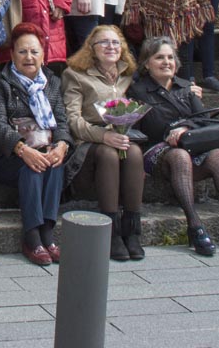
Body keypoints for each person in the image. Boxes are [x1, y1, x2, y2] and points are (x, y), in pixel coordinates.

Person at [130, 37, 219, 256]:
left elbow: (203, 120)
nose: (166, 62)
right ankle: (195, 225)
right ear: (147, 63)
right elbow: (136, 130)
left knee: (218, 154)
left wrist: (185, 128)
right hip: (157, 151)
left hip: (192, 147)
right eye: (159, 57)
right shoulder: (138, 91)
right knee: (179, 155)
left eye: (170, 57)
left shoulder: (186, 87)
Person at [0, 23, 72, 266]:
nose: (29, 57)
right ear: (12, 55)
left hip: (44, 147)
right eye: (22, 51)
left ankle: (48, 233)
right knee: (33, 167)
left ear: (43, 54)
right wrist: (22, 149)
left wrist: (62, 145)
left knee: (55, 164)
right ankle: (32, 237)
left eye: (34, 51)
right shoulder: (0, 82)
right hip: (6, 156)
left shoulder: (52, 81)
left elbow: (62, 120)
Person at [61, 25, 145, 260]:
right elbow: (72, 120)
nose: (111, 47)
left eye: (116, 42)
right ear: (92, 48)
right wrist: (103, 136)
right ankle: (112, 231)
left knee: (134, 152)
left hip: (119, 140)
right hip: (88, 145)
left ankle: (132, 229)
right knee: (108, 154)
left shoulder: (128, 75)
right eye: (104, 42)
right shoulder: (75, 74)